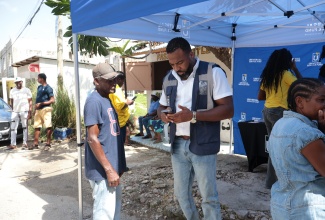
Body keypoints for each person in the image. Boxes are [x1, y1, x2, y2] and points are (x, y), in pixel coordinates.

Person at [158, 37, 233, 219]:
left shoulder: (212, 73)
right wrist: (163, 115)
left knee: (209, 197)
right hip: (177, 145)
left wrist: (192, 116)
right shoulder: (169, 78)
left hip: (203, 143)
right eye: (172, 64)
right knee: (181, 194)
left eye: (180, 62)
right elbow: (161, 106)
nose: (177, 68)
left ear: (192, 54)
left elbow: (228, 109)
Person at [268, 78, 325, 220]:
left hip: (282, 206)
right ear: (299, 102)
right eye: (321, 100)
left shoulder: (280, 123)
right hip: (308, 209)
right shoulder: (307, 133)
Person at [84, 63, 126, 219]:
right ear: (96, 81)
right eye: (109, 80)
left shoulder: (107, 99)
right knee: (104, 214)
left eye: (114, 79)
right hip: (102, 172)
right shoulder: (93, 102)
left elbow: (111, 135)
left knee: (113, 213)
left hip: (112, 168)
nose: (113, 83)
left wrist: (119, 164)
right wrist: (109, 170)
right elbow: (92, 138)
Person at [257, 48, 302, 189]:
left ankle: (271, 182)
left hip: (267, 111)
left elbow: (260, 97)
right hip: (280, 112)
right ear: (288, 61)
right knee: (283, 147)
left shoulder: (268, 75)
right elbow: (302, 86)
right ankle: (283, 182)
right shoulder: (286, 74)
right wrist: (295, 69)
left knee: (274, 147)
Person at [30, 73, 55, 151]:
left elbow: (52, 100)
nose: (37, 80)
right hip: (38, 110)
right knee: (37, 126)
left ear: (42, 79)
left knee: (48, 126)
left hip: (46, 109)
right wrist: (35, 109)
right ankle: (35, 143)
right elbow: (38, 98)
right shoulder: (39, 87)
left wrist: (42, 103)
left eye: (38, 78)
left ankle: (48, 143)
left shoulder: (48, 88)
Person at [109, 71, 134, 145]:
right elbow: (119, 106)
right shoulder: (116, 90)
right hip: (120, 122)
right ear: (119, 79)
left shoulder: (113, 89)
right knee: (119, 145)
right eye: (123, 81)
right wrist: (128, 103)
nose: (123, 84)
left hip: (119, 121)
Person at [8, 77, 32, 150]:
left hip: (24, 111)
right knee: (13, 128)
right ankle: (13, 144)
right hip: (15, 111)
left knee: (24, 127)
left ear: (22, 82)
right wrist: (13, 109)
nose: (18, 83)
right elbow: (11, 101)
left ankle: (25, 143)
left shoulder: (27, 90)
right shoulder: (12, 91)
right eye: (16, 82)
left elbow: (30, 101)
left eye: (19, 82)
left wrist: (30, 112)